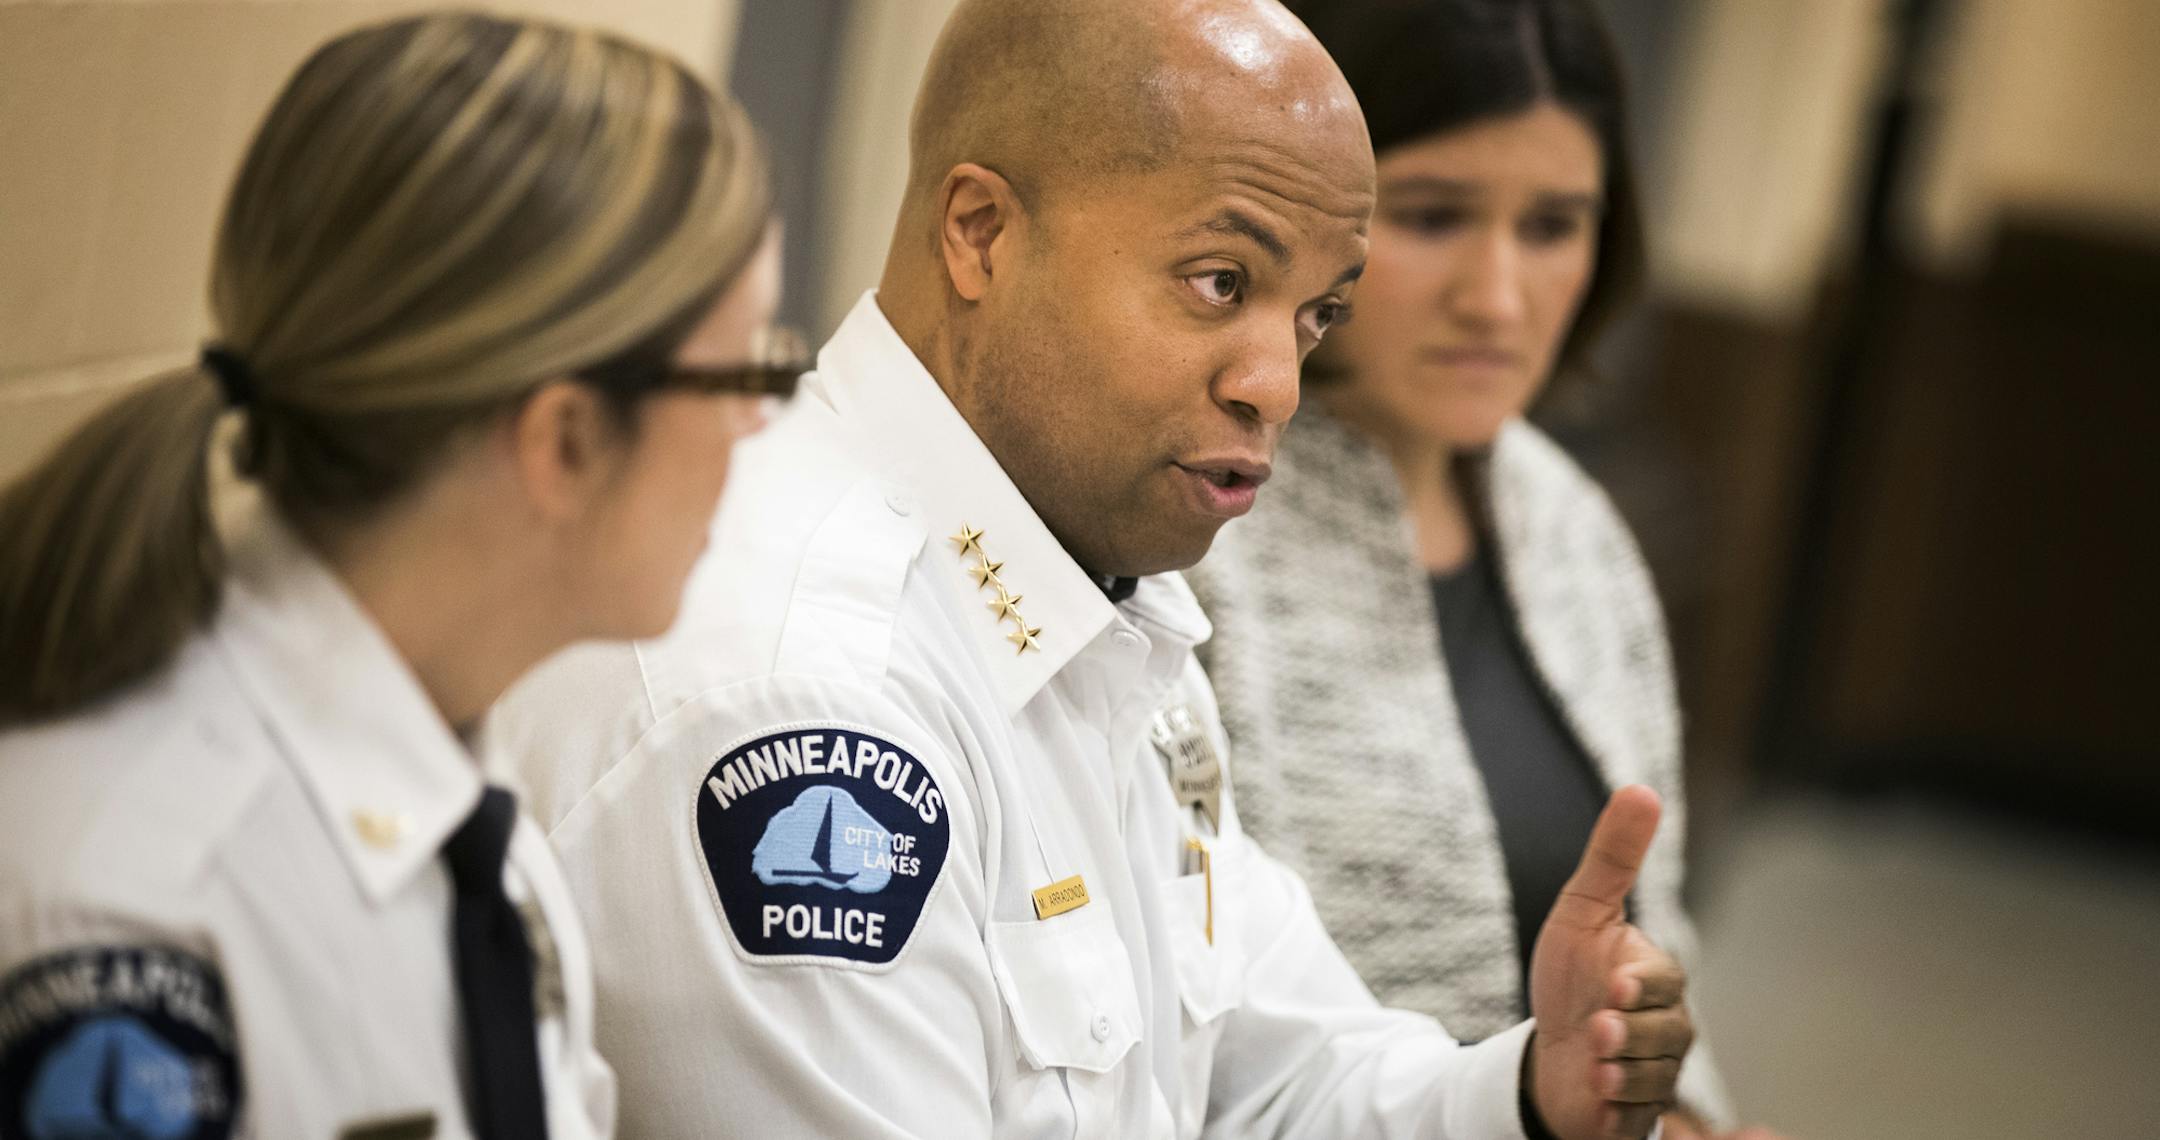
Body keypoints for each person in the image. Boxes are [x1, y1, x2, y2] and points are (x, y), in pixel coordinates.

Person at [493, 0, 1693, 1136]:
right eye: (1220, 282)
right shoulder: (806, 695)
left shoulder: (1103, 598)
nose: (1275, 383)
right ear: (981, 234)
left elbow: (1272, 1070)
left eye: (1315, 313)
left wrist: (1525, 1096)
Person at [0, 12, 797, 1138]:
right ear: (564, 441)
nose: (764, 422)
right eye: (744, 369)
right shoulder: (136, 919)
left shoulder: (476, 839)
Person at [1183, 1, 1774, 1136]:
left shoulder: (1573, 529)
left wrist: (1680, 1115)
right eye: (1434, 215)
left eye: (1554, 226)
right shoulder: (1198, 525)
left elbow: (1654, 949)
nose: (1498, 297)